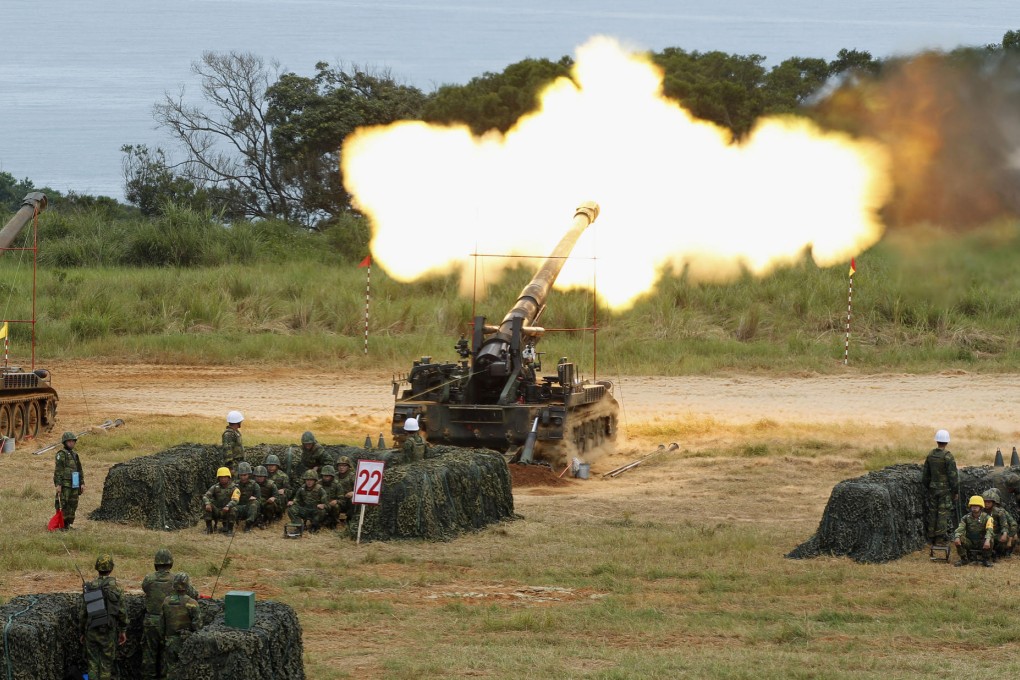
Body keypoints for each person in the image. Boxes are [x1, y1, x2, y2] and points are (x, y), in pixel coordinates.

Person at [140, 548, 198, 680]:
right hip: (170, 624)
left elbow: (146, 589)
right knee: (167, 657)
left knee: (149, 655)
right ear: (170, 564)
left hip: (151, 622)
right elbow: (193, 594)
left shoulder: (148, 579)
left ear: (156, 564)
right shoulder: (176, 580)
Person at [78, 553, 127, 680]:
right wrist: (123, 631)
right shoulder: (117, 588)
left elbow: (83, 613)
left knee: (92, 665)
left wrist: (82, 632)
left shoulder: (89, 587)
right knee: (106, 665)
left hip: (91, 631)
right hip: (108, 632)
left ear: (97, 568)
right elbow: (122, 613)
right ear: (111, 569)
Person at [160, 572, 203, 679]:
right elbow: (198, 626)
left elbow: (161, 624)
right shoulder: (192, 603)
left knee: (170, 670)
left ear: (174, 585)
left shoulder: (166, 601)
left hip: (169, 642)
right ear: (187, 585)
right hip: (187, 643)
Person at [921, 429, 959, 545]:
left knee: (933, 512)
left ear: (937, 441)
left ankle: (930, 536)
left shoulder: (930, 455)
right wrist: (955, 491)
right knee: (942, 513)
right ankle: (939, 539)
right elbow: (953, 476)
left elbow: (925, 475)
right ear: (947, 442)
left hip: (933, 488)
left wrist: (929, 486)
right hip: (945, 490)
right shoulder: (948, 457)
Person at [53, 431, 84, 530]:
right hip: (65, 484)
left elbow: (79, 469)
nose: (71, 443)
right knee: (64, 504)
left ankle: (68, 524)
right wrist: (58, 484)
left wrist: (82, 483)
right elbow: (58, 470)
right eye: (69, 441)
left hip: (75, 484)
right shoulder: (61, 454)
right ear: (65, 442)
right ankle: (62, 524)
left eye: (73, 441)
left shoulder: (75, 455)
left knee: (73, 504)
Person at [953, 495, 995, 567]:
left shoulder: (987, 518)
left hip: (981, 542)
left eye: (976, 506)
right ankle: (964, 559)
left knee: (990, 539)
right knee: (959, 538)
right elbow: (960, 528)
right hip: (970, 542)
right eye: (972, 506)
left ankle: (986, 559)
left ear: (981, 507)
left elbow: (990, 530)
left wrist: (987, 540)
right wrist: (957, 537)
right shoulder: (965, 518)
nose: (974, 507)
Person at [202, 467, 240, 535]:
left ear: (229, 477)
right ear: (218, 478)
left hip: (227, 511)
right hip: (217, 510)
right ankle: (209, 528)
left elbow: (235, 500)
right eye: (221, 477)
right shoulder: (215, 487)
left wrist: (228, 506)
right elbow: (206, 496)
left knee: (233, 509)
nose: (223, 479)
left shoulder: (234, 488)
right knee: (206, 505)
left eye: (225, 477)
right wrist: (207, 503)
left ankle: (230, 530)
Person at [982, 488, 1017, 559]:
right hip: (985, 534)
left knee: (1013, 536)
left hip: (998, 533)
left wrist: (1009, 538)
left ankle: (1004, 552)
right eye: (985, 501)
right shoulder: (980, 511)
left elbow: (1012, 524)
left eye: (989, 502)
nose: (987, 504)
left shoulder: (1001, 511)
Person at [234, 461, 261, 532]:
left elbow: (259, 499)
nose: (243, 477)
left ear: (249, 475)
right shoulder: (234, 485)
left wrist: (255, 498)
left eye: (245, 475)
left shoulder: (254, 485)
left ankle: (248, 525)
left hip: (248, 508)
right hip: (238, 507)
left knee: (254, 504)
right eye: (241, 475)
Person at [334, 455, 356, 523]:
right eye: (339, 465)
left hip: (347, 501)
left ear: (348, 467)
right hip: (337, 500)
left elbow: (361, 488)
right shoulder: (334, 476)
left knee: (353, 500)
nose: (341, 467)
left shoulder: (352, 476)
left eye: (344, 465)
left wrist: (353, 493)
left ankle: (350, 519)